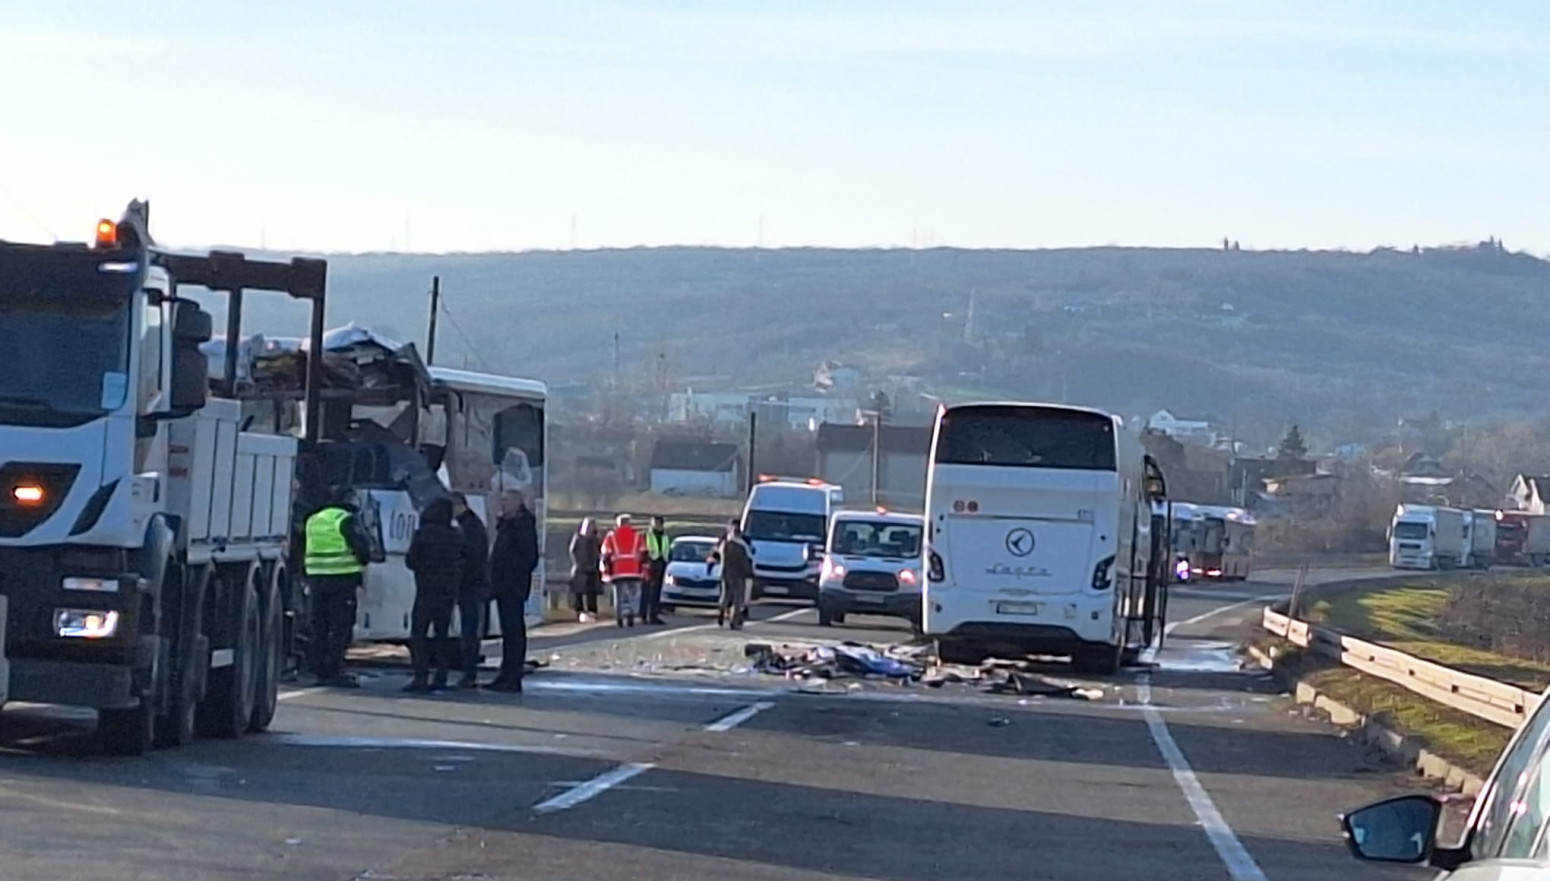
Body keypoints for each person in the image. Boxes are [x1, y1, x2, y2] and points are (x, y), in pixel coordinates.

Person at [304, 487, 374, 687]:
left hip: (316, 579)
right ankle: (335, 669)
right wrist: (363, 561)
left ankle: (320, 669)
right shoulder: (345, 519)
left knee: (319, 626)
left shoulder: (314, 519)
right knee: (340, 626)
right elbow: (361, 547)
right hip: (342, 580)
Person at [404, 497, 466, 692]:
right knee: (442, 635)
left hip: (426, 588)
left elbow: (411, 561)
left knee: (419, 633)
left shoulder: (423, 534)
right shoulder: (456, 535)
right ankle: (441, 676)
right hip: (447, 591)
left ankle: (420, 676)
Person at [488, 490, 539, 693]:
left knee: (513, 631)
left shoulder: (522, 526)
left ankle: (512, 675)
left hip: (512, 586)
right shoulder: (508, 524)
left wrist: (510, 576)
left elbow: (528, 558)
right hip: (503, 585)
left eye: (507, 501)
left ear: (518, 503)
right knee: (508, 632)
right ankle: (506, 673)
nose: (503, 504)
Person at [451, 492, 490, 689]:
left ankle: (469, 673)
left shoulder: (469, 527)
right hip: (474, 584)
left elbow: (472, 557)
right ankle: (468, 671)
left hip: (471, 585)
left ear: (461, 506)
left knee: (470, 631)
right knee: (470, 630)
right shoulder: (472, 524)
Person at [708, 518, 755, 630]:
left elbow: (715, 554)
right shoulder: (743, 542)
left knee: (726, 594)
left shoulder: (724, 540)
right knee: (737, 599)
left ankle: (722, 610)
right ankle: (734, 622)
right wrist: (750, 572)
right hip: (739, 573)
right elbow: (748, 557)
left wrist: (711, 564)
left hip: (725, 572)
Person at [601, 513, 646, 628]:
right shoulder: (637, 535)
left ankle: (619, 617)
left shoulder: (611, 536)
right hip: (634, 570)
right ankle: (631, 613)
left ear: (617, 523)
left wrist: (606, 570)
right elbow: (644, 552)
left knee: (618, 595)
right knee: (633, 594)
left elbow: (605, 553)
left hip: (617, 571)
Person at [568, 517, 603, 622]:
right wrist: (578, 562)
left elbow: (600, 552)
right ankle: (579, 611)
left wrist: (597, 562)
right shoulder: (578, 538)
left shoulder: (596, 540)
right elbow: (572, 551)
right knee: (578, 591)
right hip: (580, 568)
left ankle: (592, 611)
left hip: (592, 568)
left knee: (591, 592)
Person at [641, 515, 670, 625]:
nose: (657, 525)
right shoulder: (646, 535)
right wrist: (646, 562)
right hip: (650, 563)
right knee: (647, 591)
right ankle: (644, 615)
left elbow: (666, 549)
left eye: (658, 523)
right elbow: (643, 550)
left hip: (661, 563)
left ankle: (653, 615)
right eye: (654, 523)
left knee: (656, 592)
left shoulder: (665, 536)